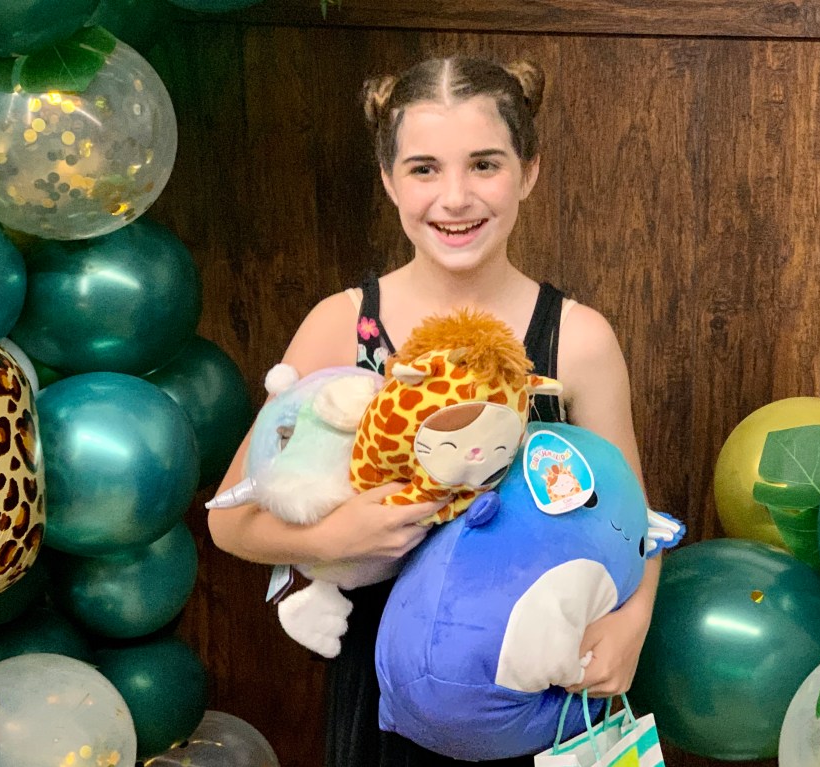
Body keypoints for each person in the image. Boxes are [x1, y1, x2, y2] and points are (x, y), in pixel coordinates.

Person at [208, 54, 662, 766]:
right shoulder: (342, 325)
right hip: (386, 705)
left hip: (537, 690)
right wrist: (334, 536)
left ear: (529, 172)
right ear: (389, 180)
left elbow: (635, 520)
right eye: (424, 169)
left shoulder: (578, 339)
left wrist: (632, 623)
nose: (455, 197)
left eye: (484, 165)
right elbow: (229, 520)